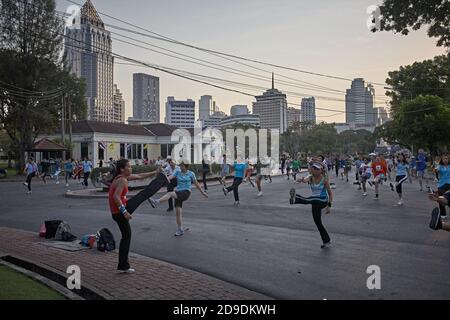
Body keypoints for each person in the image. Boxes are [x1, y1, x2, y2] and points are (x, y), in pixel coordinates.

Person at [109, 159, 167, 273]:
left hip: (118, 212)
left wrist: (154, 172)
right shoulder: (122, 181)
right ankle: (162, 179)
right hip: (121, 211)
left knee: (126, 237)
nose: (131, 168)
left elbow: (140, 175)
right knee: (143, 194)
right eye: (129, 167)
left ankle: (123, 265)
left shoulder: (121, 178)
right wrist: (124, 212)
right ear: (122, 169)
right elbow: (116, 197)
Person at [149, 162, 208, 236]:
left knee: (170, 193)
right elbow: (169, 178)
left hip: (186, 192)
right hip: (178, 192)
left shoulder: (191, 174)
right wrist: (163, 173)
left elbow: (196, 184)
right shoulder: (177, 172)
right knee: (178, 213)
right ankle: (180, 230)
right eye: (180, 165)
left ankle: (156, 202)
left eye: (182, 166)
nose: (180, 167)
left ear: (186, 166)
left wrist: (202, 192)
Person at [289, 162, 333, 249]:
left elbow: (330, 194)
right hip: (314, 201)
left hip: (322, 200)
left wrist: (329, 206)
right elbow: (305, 180)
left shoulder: (324, 180)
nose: (314, 170)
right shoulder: (310, 178)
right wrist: (300, 180)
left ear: (320, 171)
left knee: (310, 199)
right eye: (313, 168)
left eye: (316, 169)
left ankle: (296, 199)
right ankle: (326, 240)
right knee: (318, 223)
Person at [434, 154, 450, 219]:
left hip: (449, 184)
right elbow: (436, 171)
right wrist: (436, 170)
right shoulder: (440, 166)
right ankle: (443, 214)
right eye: (444, 159)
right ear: (442, 160)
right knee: (441, 199)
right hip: (441, 184)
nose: (445, 160)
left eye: (447, 158)